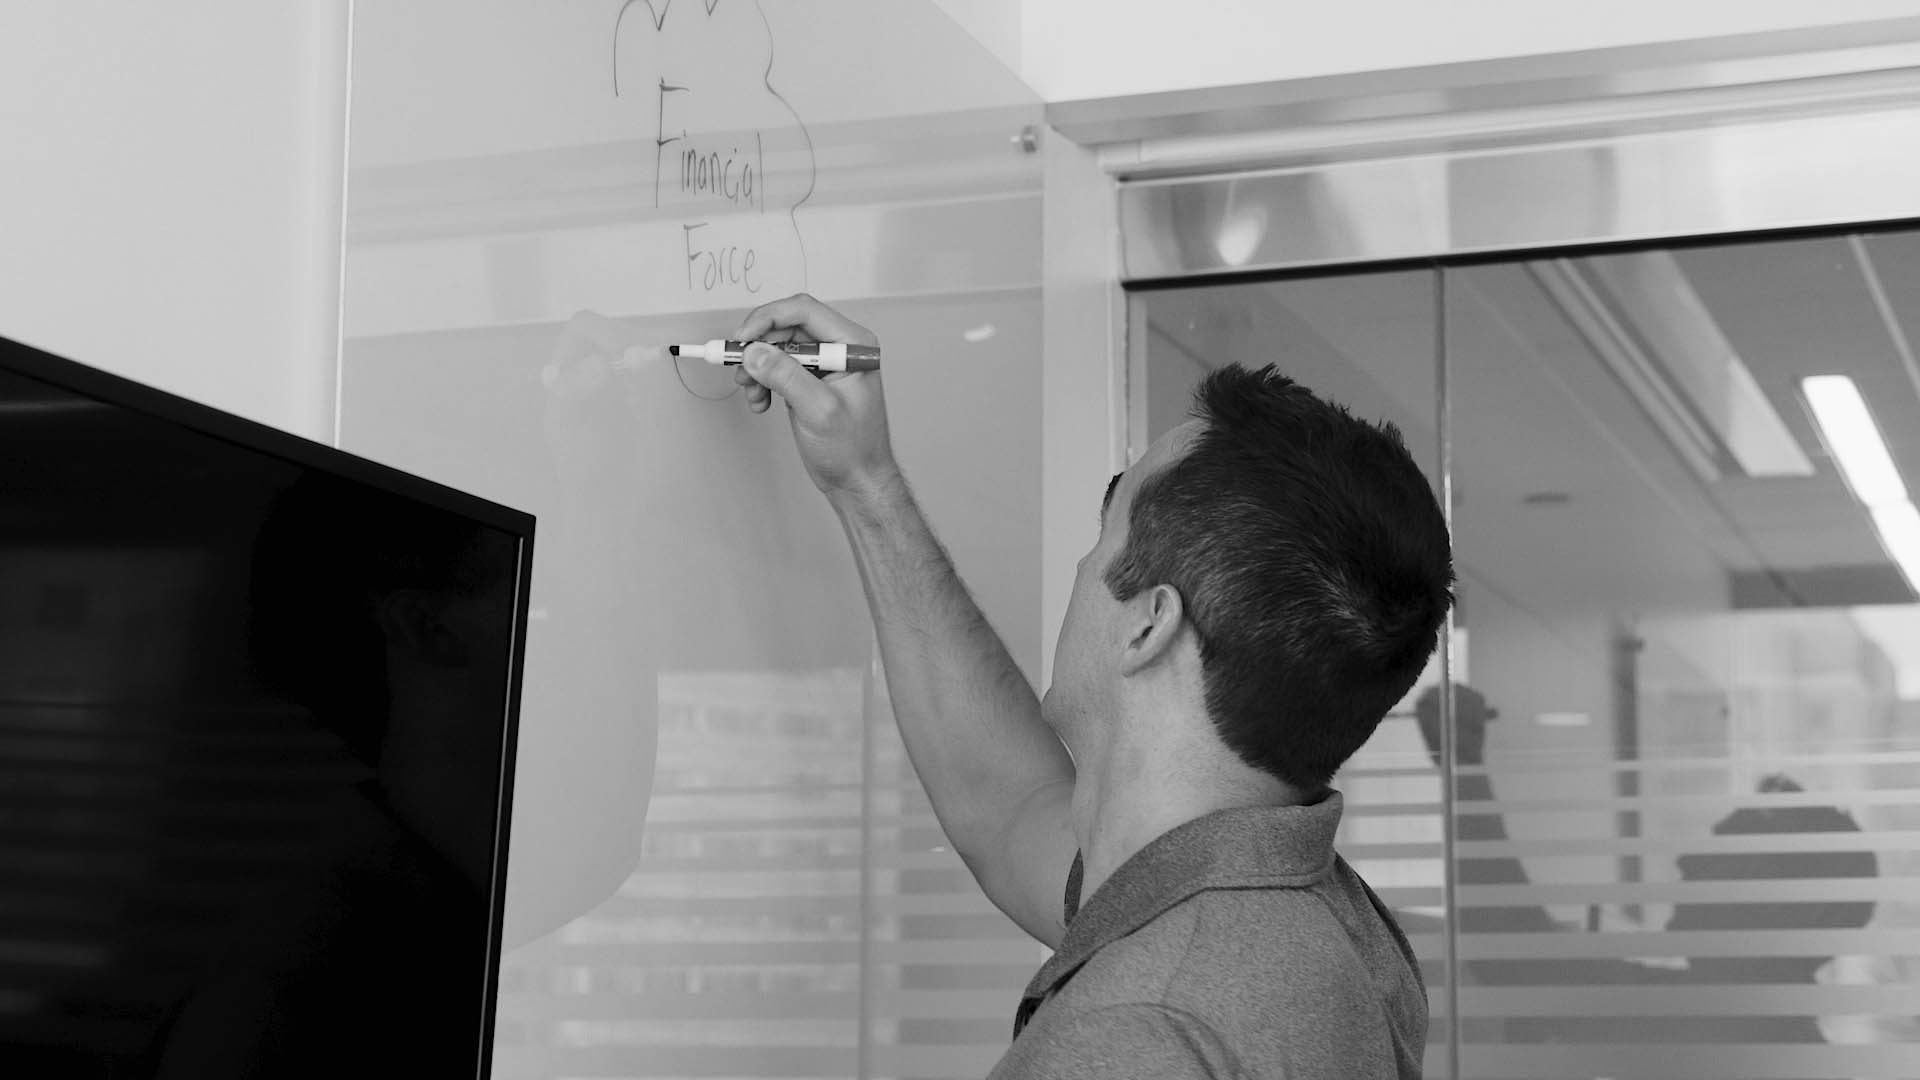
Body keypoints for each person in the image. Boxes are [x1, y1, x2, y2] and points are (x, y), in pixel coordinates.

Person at [724, 294, 1454, 1078]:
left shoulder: (1133, 1037)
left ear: (1149, 626)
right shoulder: (1311, 921)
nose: (1080, 566)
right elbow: (1006, 810)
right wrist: (865, 483)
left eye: (1106, 518)